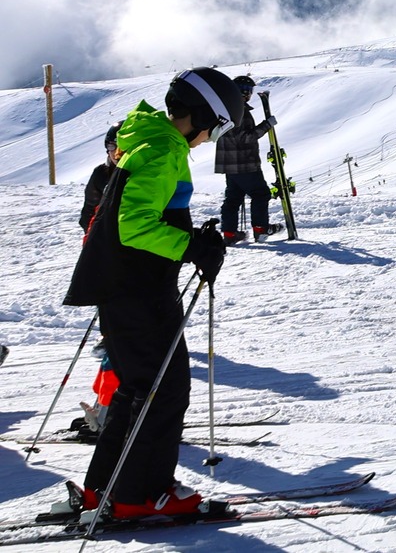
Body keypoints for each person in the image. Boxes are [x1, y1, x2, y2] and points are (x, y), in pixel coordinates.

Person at [60, 68, 235, 521]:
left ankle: (108, 489)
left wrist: (193, 238)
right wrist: (192, 245)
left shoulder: (152, 141)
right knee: (165, 389)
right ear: (197, 115)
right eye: (216, 127)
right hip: (137, 288)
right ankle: (139, 494)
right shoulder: (161, 150)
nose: (211, 138)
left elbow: (148, 216)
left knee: (139, 388)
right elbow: (135, 227)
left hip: (128, 285)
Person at [213, 79, 274, 244]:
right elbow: (245, 138)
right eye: (245, 89)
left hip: (229, 164)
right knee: (260, 194)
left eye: (249, 90)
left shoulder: (225, 110)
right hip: (244, 163)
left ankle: (230, 234)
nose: (248, 93)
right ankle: (261, 230)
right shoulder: (238, 111)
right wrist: (266, 125)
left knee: (234, 198)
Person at [79, 126, 120, 232]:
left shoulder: (144, 172)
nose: (117, 153)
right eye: (112, 146)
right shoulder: (101, 174)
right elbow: (89, 209)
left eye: (122, 147)